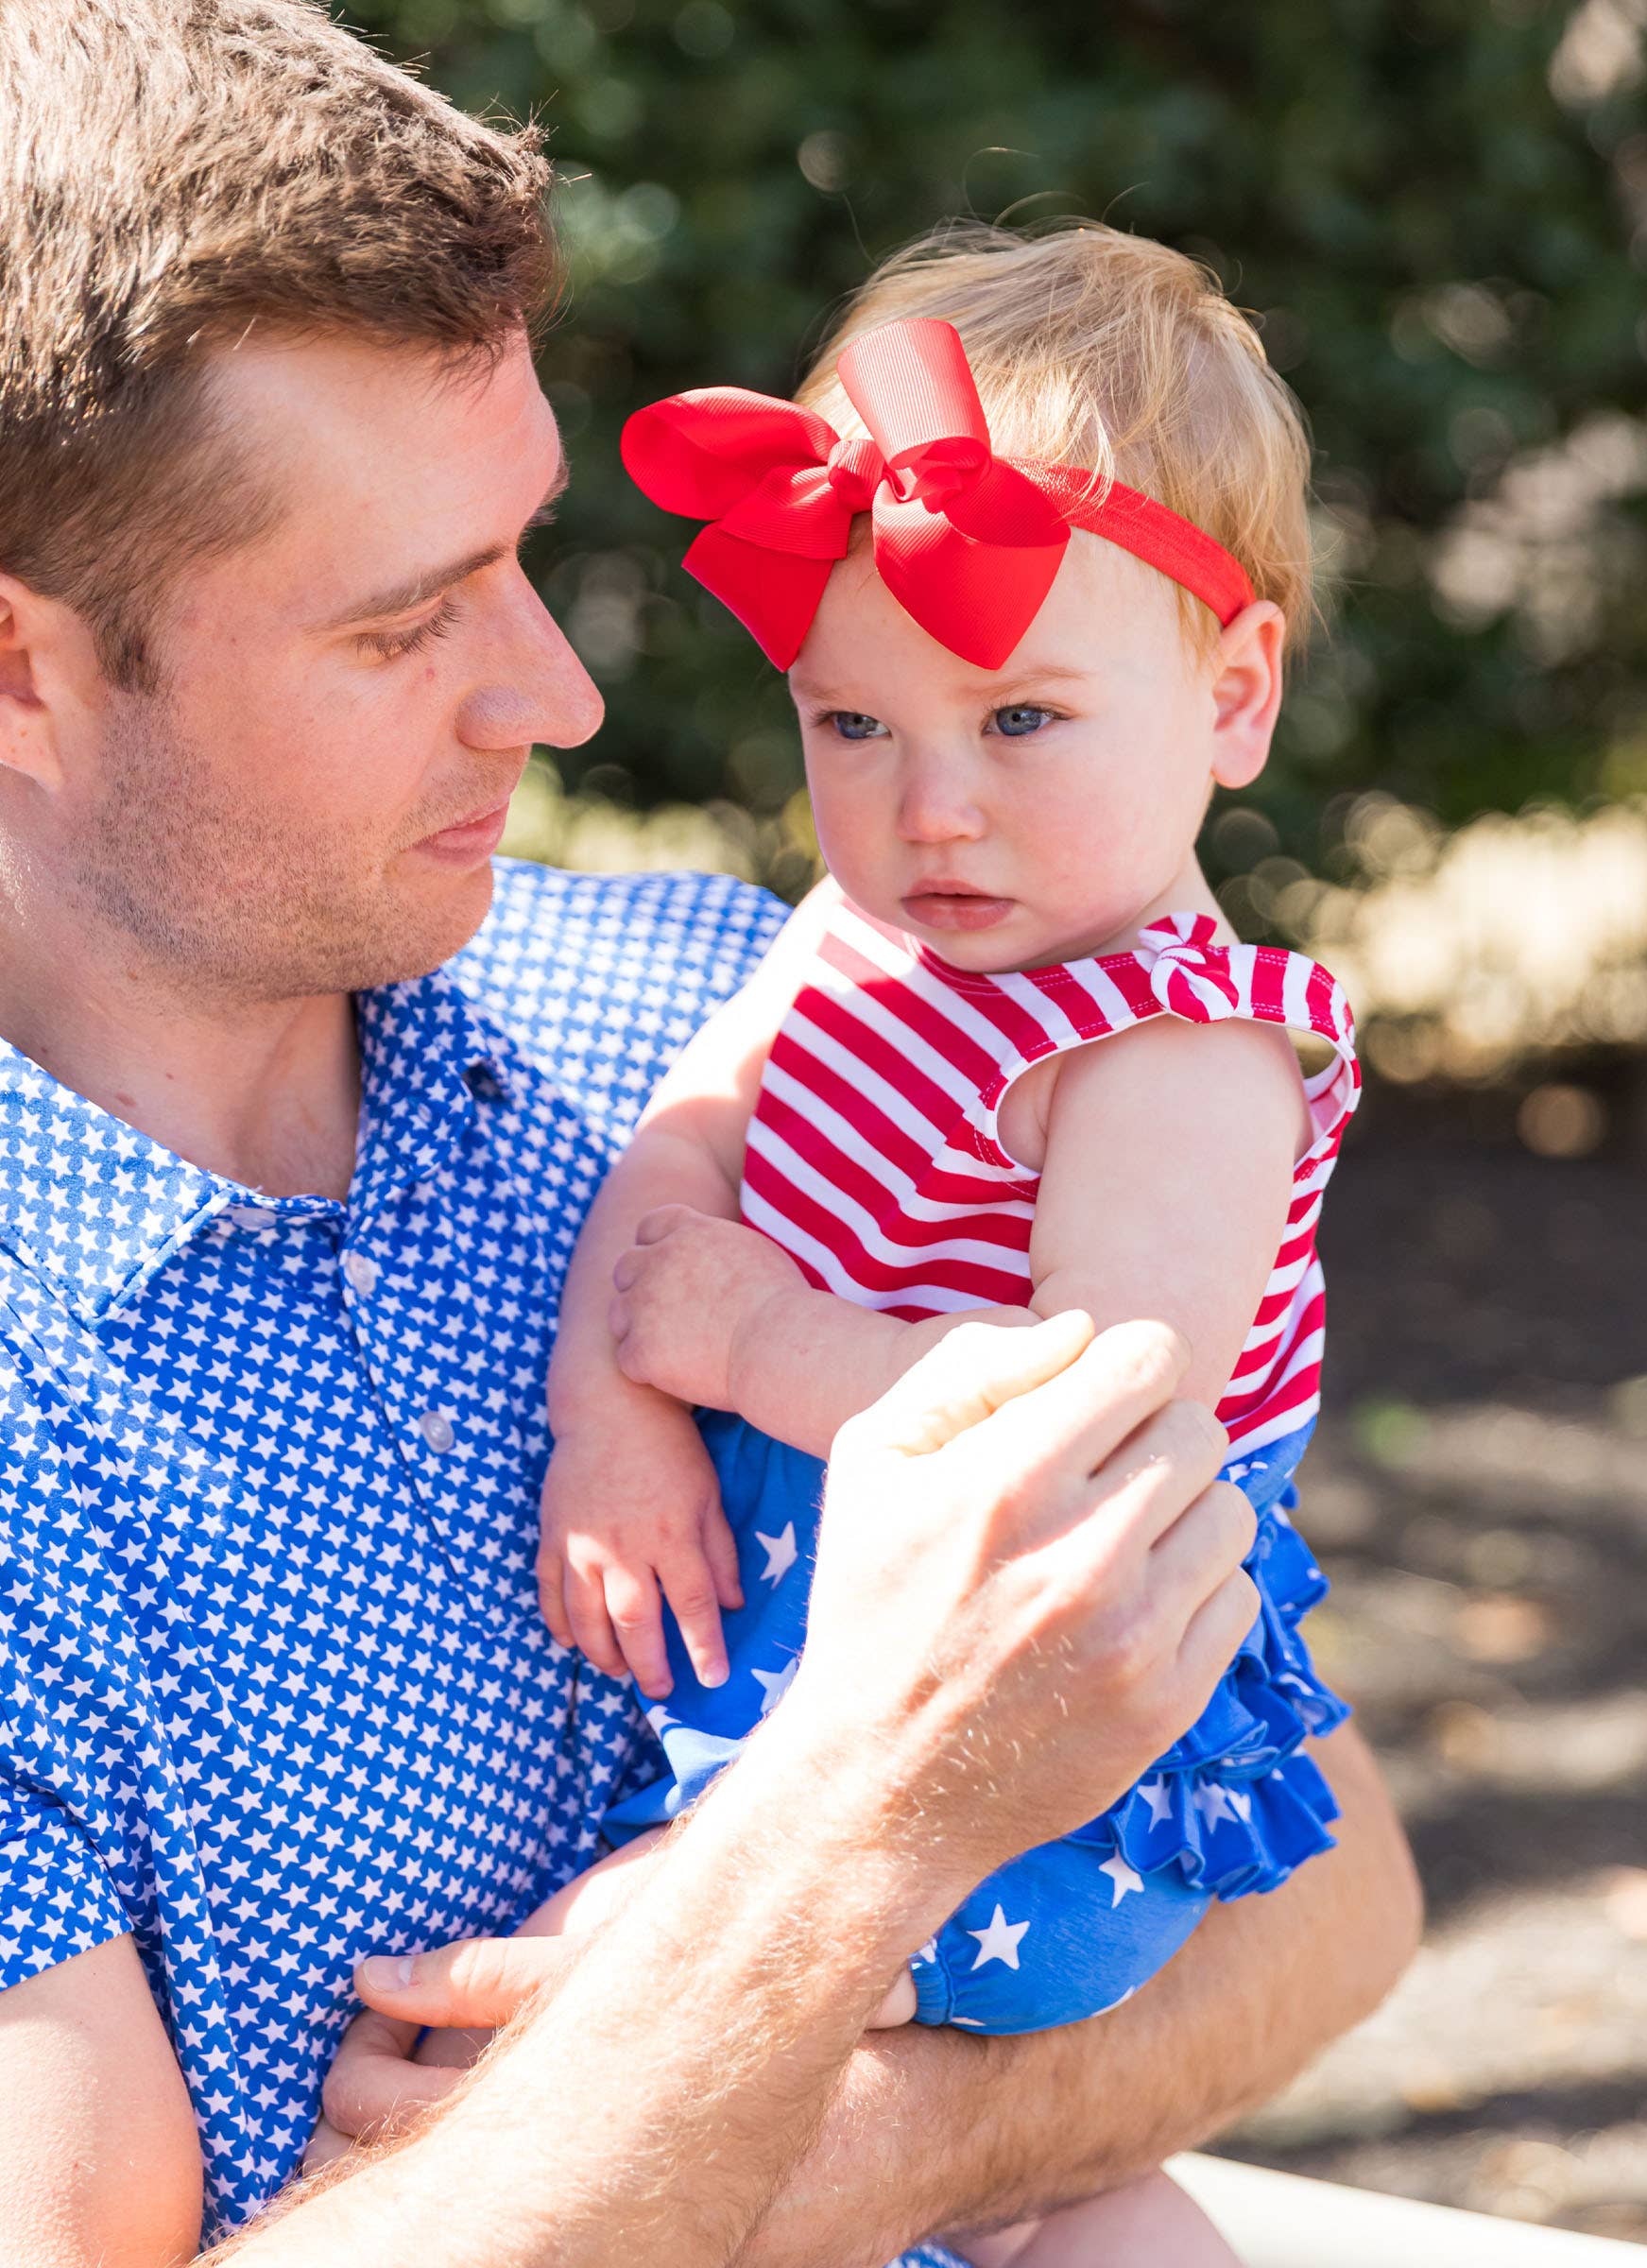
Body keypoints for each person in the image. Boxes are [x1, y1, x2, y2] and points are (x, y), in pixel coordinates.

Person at [0, 5, 1421, 2263]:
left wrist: (821, 2131)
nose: (558, 695)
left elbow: (1329, 1897)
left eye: (523, 556)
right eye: (402, 627)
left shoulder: (725, 1000)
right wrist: (841, 1864)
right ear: (25, 671)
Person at [490, 232, 1351, 2268]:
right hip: (826, 1641)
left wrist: (755, 1341)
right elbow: (680, 1148)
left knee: (655, 2053)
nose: (928, 809)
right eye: (853, 727)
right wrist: (613, 1416)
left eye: (1023, 721)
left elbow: (1065, 1439)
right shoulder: (856, 932)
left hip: (1033, 1730)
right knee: (1050, 2211)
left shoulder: (1174, 1050)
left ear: (1233, 696)